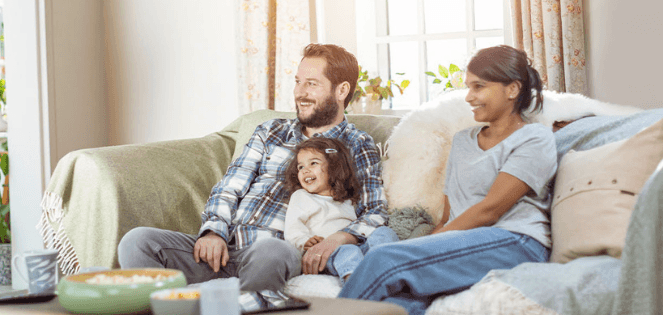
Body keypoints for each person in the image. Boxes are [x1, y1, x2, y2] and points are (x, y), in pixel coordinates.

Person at [117, 44, 389, 292]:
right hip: (228, 248)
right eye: (297, 82)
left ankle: (241, 301)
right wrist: (214, 231)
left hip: (278, 251)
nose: (299, 92)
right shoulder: (270, 131)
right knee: (137, 241)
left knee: (270, 251)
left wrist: (335, 240)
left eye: (311, 84)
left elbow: (375, 211)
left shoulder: (357, 144)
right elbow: (230, 186)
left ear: (341, 90)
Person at [338, 45, 558, 315]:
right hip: (466, 243)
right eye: (468, 87)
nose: (469, 97)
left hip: (517, 242)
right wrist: (431, 243)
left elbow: (489, 211)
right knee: (401, 303)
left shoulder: (535, 138)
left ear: (512, 89)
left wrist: (419, 248)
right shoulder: (463, 141)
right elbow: (447, 216)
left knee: (384, 259)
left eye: (479, 87)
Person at [283, 137, 399, 282]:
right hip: (325, 255)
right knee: (348, 251)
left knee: (384, 232)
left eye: (313, 163)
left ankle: (383, 271)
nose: (305, 170)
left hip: (357, 248)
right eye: (300, 167)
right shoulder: (301, 196)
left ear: (334, 167)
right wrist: (304, 241)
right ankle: (356, 285)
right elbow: (292, 228)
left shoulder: (348, 200)